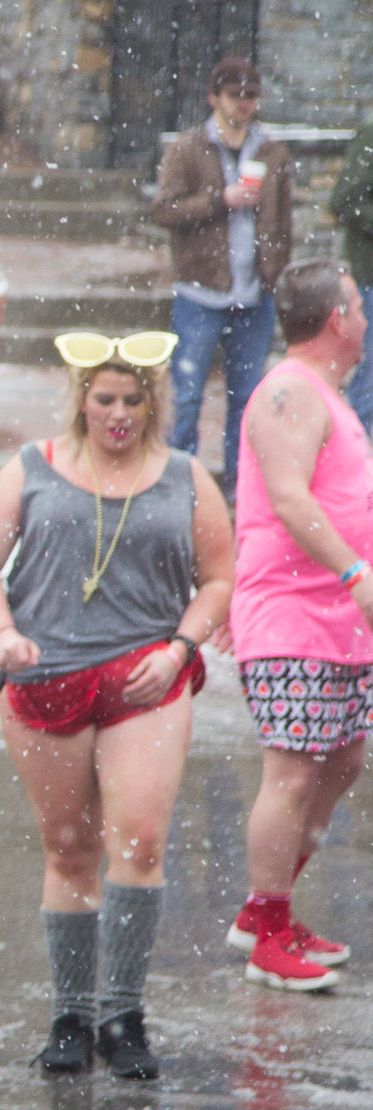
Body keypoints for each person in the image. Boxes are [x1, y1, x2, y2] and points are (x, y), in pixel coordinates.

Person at [0, 331, 235, 1077]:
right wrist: (3, 632)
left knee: (140, 841)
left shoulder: (184, 476)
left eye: (132, 398)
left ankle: (123, 1014)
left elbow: (218, 576)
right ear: (82, 397)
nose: (118, 413)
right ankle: (70, 1017)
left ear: (153, 401)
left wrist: (180, 646)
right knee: (69, 848)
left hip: (146, 679)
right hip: (44, 676)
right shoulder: (33, 468)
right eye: (104, 397)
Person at [227, 259, 373, 992]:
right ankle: (268, 929)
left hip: (338, 621)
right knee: (290, 772)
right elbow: (286, 498)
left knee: (341, 760)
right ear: (336, 320)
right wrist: (354, 572)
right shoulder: (288, 390)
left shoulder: (326, 395)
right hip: (294, 614)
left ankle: (265, 907)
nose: (366, 319)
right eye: (358, 306)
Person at [151, 56, 292, 485]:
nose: (244, 103)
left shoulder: (272, 151)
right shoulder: (189, 147)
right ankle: (180, 481)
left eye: (251, 95)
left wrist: (278, 272)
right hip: (201, 290)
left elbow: (283, 220)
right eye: (235, 95)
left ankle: (237, 485)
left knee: (248, 398)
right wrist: (219, 199)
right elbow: (163, 209)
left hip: (254, 292)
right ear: (214, 97)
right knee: (188, 393)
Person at [328, 117, 373, 431]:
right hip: (370, 277)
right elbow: (344, 199)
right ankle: (360, 456)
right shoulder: (370, 135)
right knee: (369, 372)